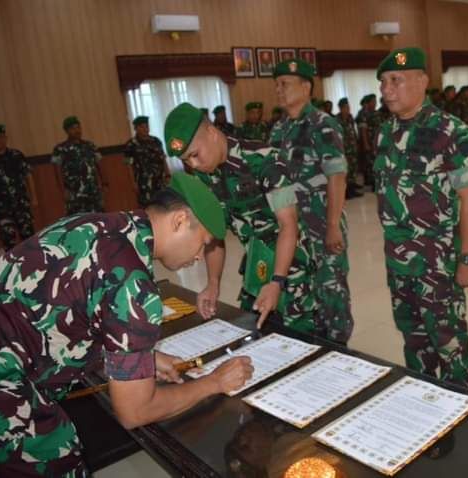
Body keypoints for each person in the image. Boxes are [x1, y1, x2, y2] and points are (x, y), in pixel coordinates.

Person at [0, 172, 254, 476]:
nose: (200, 257)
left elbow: (76, 309)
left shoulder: (97, 224)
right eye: (203, 243)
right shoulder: (133, 285)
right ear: (180, 221)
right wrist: (214, 382)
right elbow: (135, 412)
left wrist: (145, 357)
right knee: (58, 454)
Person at [375, 47, 468, 387]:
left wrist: (467, 258)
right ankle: (421, 401)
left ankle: (461, 408)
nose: (386, 90)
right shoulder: (384, 133)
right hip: (398, 262)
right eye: (383, 82)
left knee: (449, 344)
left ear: (422, 82)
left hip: (438, 264)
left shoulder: (452, 131)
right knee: (413, 341)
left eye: (396, 80)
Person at [164, 102, 318, 334]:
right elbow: (215, 236)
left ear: (212, 132)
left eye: (195, 155)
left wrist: (277, 282)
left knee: (300, 343)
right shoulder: (206, 179)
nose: (193, 165)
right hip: (257, 269)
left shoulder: (268, 160)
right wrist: (213, 283)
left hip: (293, 271)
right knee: (253, 335)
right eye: (186, 160)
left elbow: (289, 225)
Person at [269, 59, 353, 344]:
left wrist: (332, 225)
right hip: (293, 231)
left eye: (285, 84)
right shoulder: (278, 130)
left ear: (306, 88)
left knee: (331, 291)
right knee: (303, 293)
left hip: (320, 224)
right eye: (276, 85)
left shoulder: (323, 125)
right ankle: (316, 348)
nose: (279, 90)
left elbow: (337, 177)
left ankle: (341, 348)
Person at [51, 116, 105, 214]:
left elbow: (99, 165)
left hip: (92, 191)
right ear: (66, 131)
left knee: (98, 219)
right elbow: (57, 171)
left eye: (78, 127)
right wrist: (63, 190)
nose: (77, 131)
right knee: (77, 221)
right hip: (74, 193)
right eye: (73, 128)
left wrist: (104, 183)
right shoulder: (60, 149)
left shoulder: (90, 145)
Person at [123, 115, 171, 207]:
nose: (146, 129)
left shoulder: (156, 141)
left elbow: (163, 159)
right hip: (143, 182)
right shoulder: (131, 145)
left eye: (147, 126)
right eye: (142, 127)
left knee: (163, 204)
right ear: (136, 128)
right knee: (147, 206)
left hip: (160, 179)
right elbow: (128, 165)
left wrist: (167, 174)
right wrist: (133, 183)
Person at [335, 97, 362, 199]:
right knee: (345, 171)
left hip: (352, 147)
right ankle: (346, 192)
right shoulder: (336, 120)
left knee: (353, 169)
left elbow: (353, 130)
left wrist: (356, 141)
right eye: (346, 107)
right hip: (343, 150)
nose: (348, 109)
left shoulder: (350, 118)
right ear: (341, 108)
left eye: (348, 107)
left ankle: (352, 189)